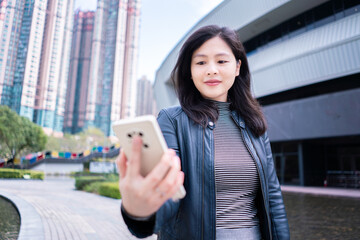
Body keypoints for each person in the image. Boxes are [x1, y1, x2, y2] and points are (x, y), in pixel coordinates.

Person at [116, 25, 290, 240]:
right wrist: (140, 212)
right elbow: (169, 193)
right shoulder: (172, 120)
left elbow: (273, 197)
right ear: (190, 71)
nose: (211, 70)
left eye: (221, 61)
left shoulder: (254, 123)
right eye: (200, 62)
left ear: (237, 67)